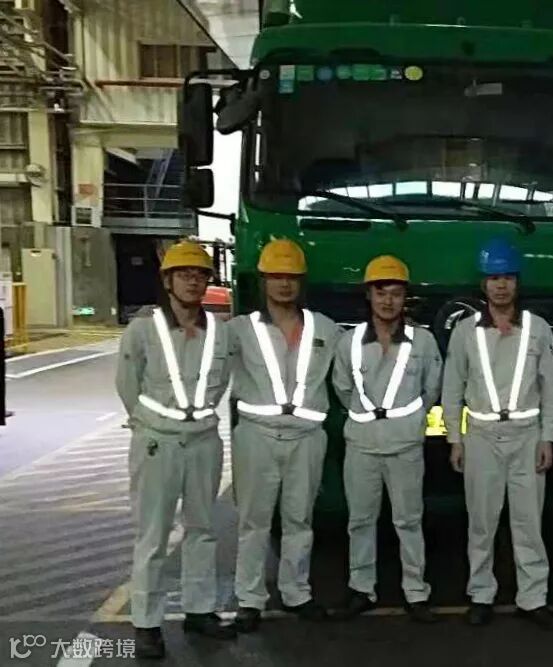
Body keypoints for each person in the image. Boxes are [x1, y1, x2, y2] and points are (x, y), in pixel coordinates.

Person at [115, 240, 236, 659]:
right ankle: (147, 623)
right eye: (184, 274)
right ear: (167, 281)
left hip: (204, 441)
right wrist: (151, 422)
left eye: (200, 275)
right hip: (157, 443)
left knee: (202, 529)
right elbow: (127, 384)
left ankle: (199, 610)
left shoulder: (219, 331)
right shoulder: (143, 329)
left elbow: (221, 381)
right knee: (153, 535)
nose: (193, 281)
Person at [441, 238, 553, 629]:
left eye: (507, 277)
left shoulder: (537, 330)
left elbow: (552, 387)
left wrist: (547, 437)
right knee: (481, 522)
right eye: (494, 277)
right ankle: (481, 594)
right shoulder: (465, 332)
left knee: (529, 523)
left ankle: (533, 597)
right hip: (481, 437)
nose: (501, 285)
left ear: (517, 282)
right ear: (484, 283)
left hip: (527, 437)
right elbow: (452, 387)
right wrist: (455, 440)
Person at [228, 239, 341, 631]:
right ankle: (249, 599)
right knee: (254, 522)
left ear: (302, 282)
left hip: (307, 437)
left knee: (300, 520)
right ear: (263, 281)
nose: (284, 284)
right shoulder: (239, 330)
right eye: (276, 276)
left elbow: (348, 375)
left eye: (291, 277)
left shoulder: (325, 328)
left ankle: (297, 593)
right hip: (257, 437)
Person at [332, 255, 443, 623]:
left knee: (409, 521)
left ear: (405, 298)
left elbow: (431, 390)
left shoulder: (423, 341)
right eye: (381, 293)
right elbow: (343, 389)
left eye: (395, 293)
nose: (388, 301)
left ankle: (416, 591)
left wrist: (405, 422)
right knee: (360, 521)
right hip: (362, 445)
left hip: (405, 446)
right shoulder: (348, 343)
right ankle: (361, 588)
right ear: (369, 295)